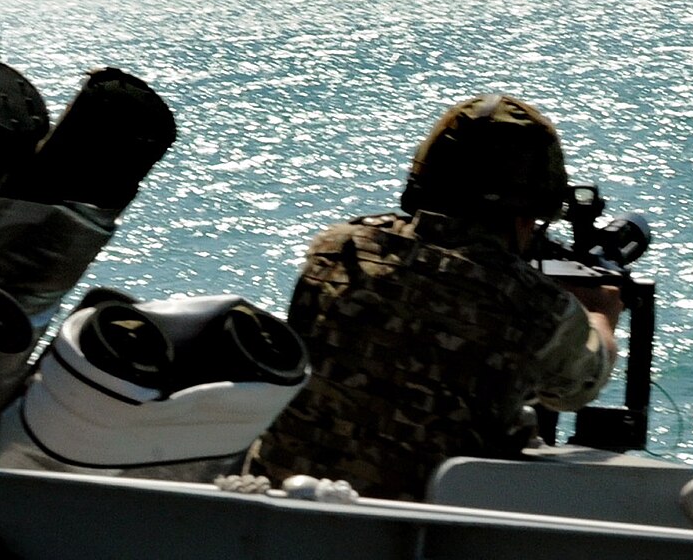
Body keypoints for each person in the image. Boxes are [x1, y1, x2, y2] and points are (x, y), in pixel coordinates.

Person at [254, 94, 622, 500]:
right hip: (424, 524)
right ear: (527, 214)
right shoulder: (533, 304)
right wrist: (600, 314)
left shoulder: (336, 251)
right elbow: (577, 385)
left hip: (289, 499)